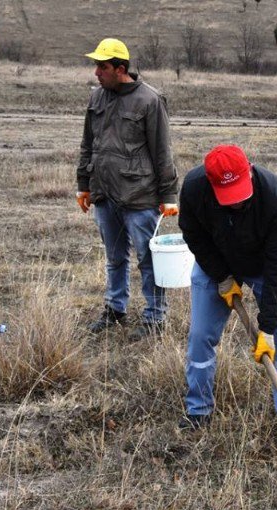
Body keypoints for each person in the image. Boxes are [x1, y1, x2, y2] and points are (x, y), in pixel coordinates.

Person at [177, 144, 277, 438]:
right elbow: (194, 234)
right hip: (217, 261)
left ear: (249, 171)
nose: (236, 204)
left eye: (240, 194)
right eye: (228, 198)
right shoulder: (193, 189)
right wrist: (221, 276)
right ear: (211, 184)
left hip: (266, 267)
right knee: (201, 336)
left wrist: (267, 328)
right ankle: (197, 410)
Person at [75, 38, 179, 337]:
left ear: (120, 69)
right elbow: (88, 144)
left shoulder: (150, 100)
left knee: (148, 259)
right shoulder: (96, 98)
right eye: (96, 65)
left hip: (140, 197)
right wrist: (84, 185)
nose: (97, 72)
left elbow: (162, 151)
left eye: (102, 66)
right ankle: (115, 309)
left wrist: (168, 195)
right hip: (105, 194)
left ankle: (155, 318)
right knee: (114, 257)